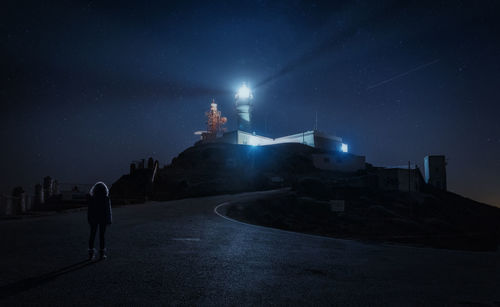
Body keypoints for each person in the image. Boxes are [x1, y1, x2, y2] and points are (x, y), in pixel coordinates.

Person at [87, 181, 112, 260]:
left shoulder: (92, 198)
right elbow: (108, 210)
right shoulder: (106, 198)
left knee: (92, 235)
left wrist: (89, 219)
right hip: (103, 218)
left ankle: (91, 254)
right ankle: (102, 254)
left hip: (94, 218)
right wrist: (109, 220)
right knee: (102, 236)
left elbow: (89, 210)